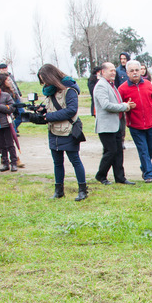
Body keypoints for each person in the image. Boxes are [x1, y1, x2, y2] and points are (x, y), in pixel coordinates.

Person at [37, 64, 87, 200]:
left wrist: (49, 117)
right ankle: (58, 191)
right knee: (57, 162)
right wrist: (42, 111)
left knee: (75, 160)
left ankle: (83, 190)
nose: (44, 83)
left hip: (69, 130)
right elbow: (52, 107)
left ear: (52, 77)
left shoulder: (69, 89)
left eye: (45, 79)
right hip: (54, 130)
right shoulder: (50, 91)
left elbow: (71, 110)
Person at [118, 59, 152, 183]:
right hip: (135, 125)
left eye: (137, 70)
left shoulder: (148, 84)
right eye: (131, 71)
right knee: (143, 150)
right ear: (127, 73)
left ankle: (144, 166)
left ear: (141, 71)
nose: (135, 73)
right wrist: (126, 105)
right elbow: (118, 104)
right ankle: (149, 174)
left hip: (150, 124)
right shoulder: (122, 88)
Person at [92, 61, 134, 185]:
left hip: (116, 124)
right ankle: (101, 175)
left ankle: (120, 178)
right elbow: (106, 105)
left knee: (118, 152)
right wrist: (124, 106)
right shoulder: (101, 86)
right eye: (110, 70)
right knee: (110, 152)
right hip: (106, 126)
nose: (113, 72)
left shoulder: (111, 85)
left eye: (114, 70)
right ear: (103, 72)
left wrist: (125, 106)